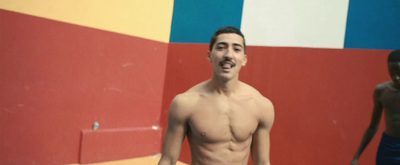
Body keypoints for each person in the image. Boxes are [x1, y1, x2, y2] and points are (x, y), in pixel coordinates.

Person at [158, 26, 275, 165]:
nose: (228, 55)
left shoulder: (261, 105)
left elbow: (262, 162)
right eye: (221, 48)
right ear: (209, 55)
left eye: (236, 49)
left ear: (244, 59)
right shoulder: (185, 103)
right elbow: (168, 160)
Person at [351, 49, 400, 165]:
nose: (396, 77)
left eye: (399, 72)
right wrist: (356, 156)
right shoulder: (381, 91)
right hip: (388, 146)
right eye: (392, 72)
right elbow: (373, 126)